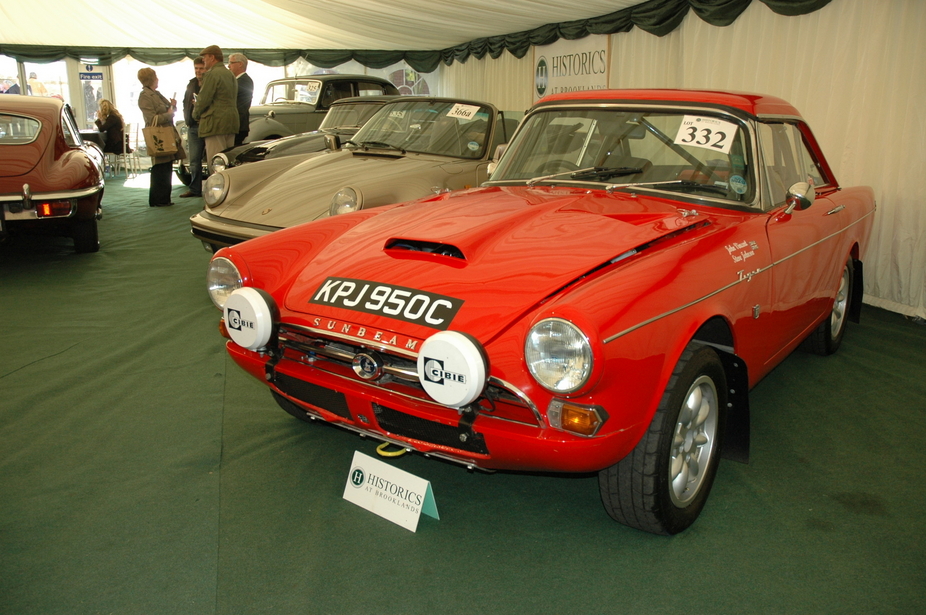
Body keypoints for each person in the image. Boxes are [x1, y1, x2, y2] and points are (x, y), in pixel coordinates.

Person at [137, 67, 184, 207]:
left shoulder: (155, 94)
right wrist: (170, 114)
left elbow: (167, 110)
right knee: (160, 166)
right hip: (159, 134)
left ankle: (164, 198)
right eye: (156, 77)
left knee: (166, 165)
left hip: (167, 132)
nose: (158, 79)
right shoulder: (145, 96)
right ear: (151, 79)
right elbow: (152, 118)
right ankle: (158, 199)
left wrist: (172, 107)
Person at [192, 45, 238, 173]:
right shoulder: (230, 74)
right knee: (228, 162)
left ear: (212, 57)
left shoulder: (212, 74)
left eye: (205, 58)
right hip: (230, 122)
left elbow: (203, 100)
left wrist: (195, 114)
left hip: (214, 123)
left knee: (217, 163)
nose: (203, 61)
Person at [180, 57, 207, 198]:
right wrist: (187, 118)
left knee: (214, 159)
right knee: (194, 160)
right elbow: (185, 102)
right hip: (193, 126)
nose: (198, 71)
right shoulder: (191, 84)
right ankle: (195, 189)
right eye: (196, 68)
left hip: (208, 126)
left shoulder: (210, 83)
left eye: (201, 68)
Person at [228, 53, 253, 146]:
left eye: (231, 63)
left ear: (240, 64)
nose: (228, 66)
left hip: (238, 125)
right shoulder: (237, 80)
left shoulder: (244, 81)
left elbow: (240, 105)